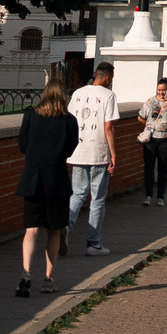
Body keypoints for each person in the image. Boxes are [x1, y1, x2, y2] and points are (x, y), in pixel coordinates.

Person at [16, 71, 79, 297]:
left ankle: (25, 272)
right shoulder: (69, 121)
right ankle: (48, 278)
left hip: (33, 180)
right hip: (57, 182)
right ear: (64, 96)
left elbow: (22, 145)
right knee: (53, 231)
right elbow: (70, 149)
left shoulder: (30, 116)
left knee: (31, 230)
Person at [66, 59, 118, 255]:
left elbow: (69, 121)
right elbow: (108, 127)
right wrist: (113, 153)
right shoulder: (109, 95)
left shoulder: (78, 93)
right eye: (111, 78)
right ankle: (93, 243)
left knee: (77, 194)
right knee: (97, 199)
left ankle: (66, 227)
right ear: (106, 77)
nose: (111, 81)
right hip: (98, 153)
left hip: (78, 151)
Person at [140, 77, 167, 204]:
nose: (161, 93)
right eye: (159, 90)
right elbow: (140, 117)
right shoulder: (150, 102)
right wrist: (148, 126)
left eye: (163, 90)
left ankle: (160, 196)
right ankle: (148, 195)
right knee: (149, 167)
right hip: (151, 139)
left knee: (163, 167)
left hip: (166, 138)